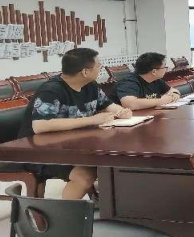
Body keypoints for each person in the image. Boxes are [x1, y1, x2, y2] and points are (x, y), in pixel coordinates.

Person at [17, 48, 132, 200]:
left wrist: (121, 111)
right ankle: (65, 213)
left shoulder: (90, 85)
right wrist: (92, 120)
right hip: (40, 152)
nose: (100, 68)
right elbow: (40, 126)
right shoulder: (51, 91)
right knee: (85, 175)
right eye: (98, 65)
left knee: (114, 164)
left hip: (74, 146)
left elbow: (107, 105)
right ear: (85, 72)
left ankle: (113, 205)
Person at [113, 52, 181, 110]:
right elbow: (130, 104)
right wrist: (161, 101)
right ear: (154, 72)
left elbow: (172, 90)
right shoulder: (128, 82)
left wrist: (175, 94)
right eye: (164, 67)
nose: (167, 69)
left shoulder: (156, 80)